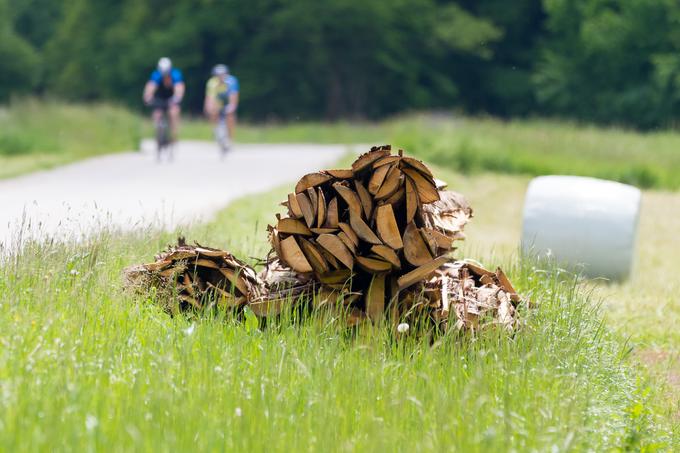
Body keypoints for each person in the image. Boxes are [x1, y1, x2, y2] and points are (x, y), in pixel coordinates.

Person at [143, 57, 185, 143]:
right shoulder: (156, 75)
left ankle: (174, 135)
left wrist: (178, 97)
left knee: (174, 112)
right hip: (160, 97)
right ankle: (158, 133)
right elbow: (150, 86)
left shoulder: (175, 74)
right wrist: (147, 96)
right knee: (157, 113)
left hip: (172, 97)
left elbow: (179, 87)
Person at [204, 64, 239, 152]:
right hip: (218, 102)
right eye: (218, 75)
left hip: (228, 102)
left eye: (223, 75)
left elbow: (233, 96)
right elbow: (210, 98)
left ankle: (230, 140)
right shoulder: (212, 82)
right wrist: (208, 108)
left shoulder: (232, 81)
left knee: (230, 116)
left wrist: (232, 107)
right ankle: (215, 130)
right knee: (212, 111)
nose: (220, 77)